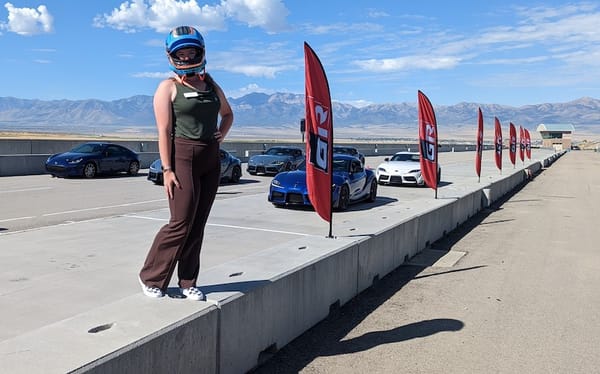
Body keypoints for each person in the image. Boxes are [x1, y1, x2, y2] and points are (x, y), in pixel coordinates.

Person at [139, 26, 233, 300]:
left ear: (201, 52)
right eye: (181, 52)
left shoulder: (212, 86)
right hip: (182, 157)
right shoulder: (168, 87)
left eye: (191, 51)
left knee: (198, 222)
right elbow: (164, 131)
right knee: (180, 221)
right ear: (172, 57)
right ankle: (151, 277)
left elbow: (227, 114)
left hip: (210, 158)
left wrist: (221, 135)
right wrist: (167, 170)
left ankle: (187, 280)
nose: (187, 56)